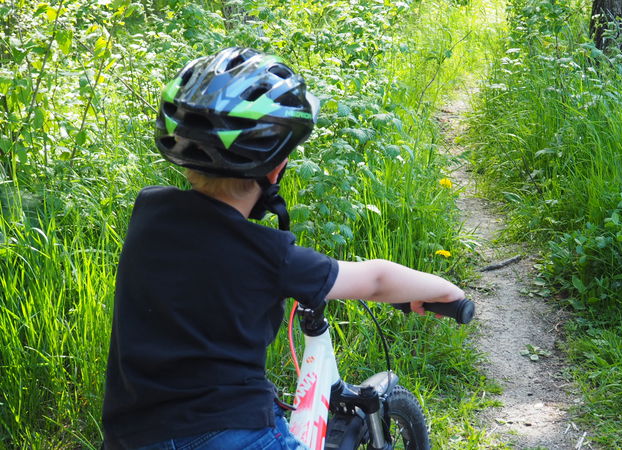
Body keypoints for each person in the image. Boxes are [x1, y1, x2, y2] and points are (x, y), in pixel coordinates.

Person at [101, 47, 464, 449]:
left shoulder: (148, 212)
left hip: (131, 433)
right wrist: (446, 292)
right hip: (232, 435)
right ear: (276, 169)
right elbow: (377, 279)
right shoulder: (269, 255)